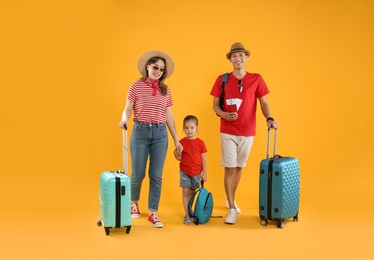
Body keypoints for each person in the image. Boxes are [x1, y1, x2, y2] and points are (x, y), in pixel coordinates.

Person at [210, 42, 278, 224]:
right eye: (234, 56)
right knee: (230, 167)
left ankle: (229, 198)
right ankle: (232, 208)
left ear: (246, 57)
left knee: (239, 167)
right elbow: (215, 105)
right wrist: (224, 114)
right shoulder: (222, 79)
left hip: (248, 131)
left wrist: (269, 117)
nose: (238, 59)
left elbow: (263, 102)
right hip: (227, 130)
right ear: (230, 59)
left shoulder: (256, 79)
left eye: (241, 55)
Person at [119, 50, 183, 228]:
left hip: (160, 134)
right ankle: (134, 203)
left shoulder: (166, 90)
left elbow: (169, 116)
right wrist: (124, 119)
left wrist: (177, 140)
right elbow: (128, 108)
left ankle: (153, 212)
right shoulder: (135, 86)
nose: (158, 71)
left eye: (162, 69)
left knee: (156, 175)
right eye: (155, 67)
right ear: (147, 66)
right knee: (138, 173)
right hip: (140, 132)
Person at [173, 115, 207, 225]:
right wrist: (176, 154)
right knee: (185, 192)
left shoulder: (200, 143)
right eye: (186, 128)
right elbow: (179, 157)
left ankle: (190, 209)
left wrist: (204, 173)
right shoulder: (181, 142)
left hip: (197, 172)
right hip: (184, 171)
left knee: (192, 192)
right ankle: (187, 215)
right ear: (183, 129)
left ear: (197, 128)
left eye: (192, 127)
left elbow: (204, 159)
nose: (189, 130)